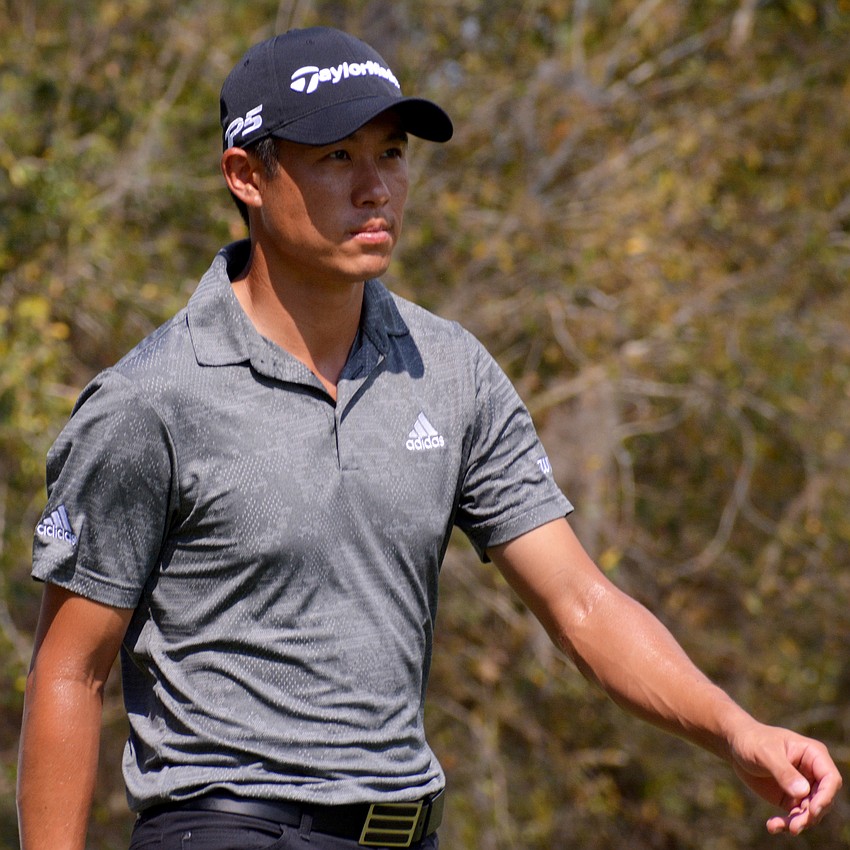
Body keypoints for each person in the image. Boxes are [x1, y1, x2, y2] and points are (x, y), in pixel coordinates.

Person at [17, 25, 841, 850]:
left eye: (392, 153)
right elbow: (70, 668)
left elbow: (580, 604)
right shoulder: (151, 398)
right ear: (246, 176)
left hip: (407, 829)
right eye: (337, 157)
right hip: (230, 824)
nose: (376, 187)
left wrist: (736, 728)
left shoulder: (451, 372)